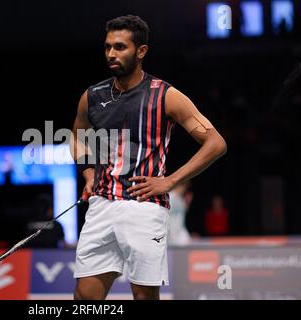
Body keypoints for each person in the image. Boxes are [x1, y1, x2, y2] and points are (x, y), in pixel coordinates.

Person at [71, 15, 227, 300]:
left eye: (120, 47)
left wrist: (170, 181)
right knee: (84, 297)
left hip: (144, 208)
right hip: (101, 207)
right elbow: (78, 134)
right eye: (107, 47)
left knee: (144, 296)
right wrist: (88, 172)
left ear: (141, 51)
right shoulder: (92, 96)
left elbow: (215, 143)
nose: (111, 54)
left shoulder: (166, 96)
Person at [168, 180, 193, 246]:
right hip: (171, 232)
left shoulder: (181, 199)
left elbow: (182, 213)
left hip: (180, 231)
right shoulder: (170, 197)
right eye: (184, 187)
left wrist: (187, 203)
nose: (185, 189)